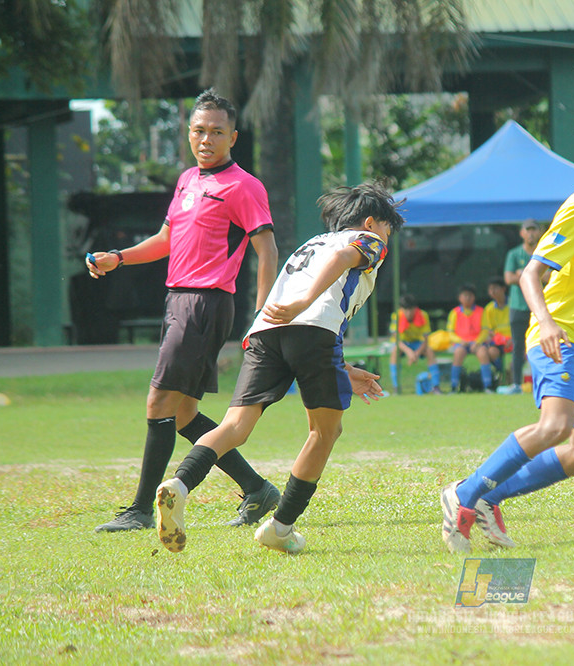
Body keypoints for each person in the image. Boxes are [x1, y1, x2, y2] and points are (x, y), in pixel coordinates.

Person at [439, 104, 574, 553]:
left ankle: (488, 497)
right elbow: (531, 275)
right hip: (559, 334)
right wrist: (549, 323)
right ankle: (464, 493)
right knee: (556, 426)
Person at [154, 182, 404, 554]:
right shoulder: (368, 241)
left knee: (234, 426)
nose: (388, 237)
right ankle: (280, 528)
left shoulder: (314, 242)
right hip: (311, 329)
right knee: (325, 431)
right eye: (388, 227)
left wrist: (343, 367)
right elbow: (341, 266)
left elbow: (299, 328)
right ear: (370, 222)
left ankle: (179, 485)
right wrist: (305, 302)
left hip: (265, 334)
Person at [86, 89, 280, 533]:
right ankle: (257, 489)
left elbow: (266, 249)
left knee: (158, 402)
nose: (206, 139)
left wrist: (264, 313)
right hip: (178, 301)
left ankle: (137, 510)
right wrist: (118, 257)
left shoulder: (244, 186)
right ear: (188, 133)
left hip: (205, 304)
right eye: (198, 130)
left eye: (216, 131)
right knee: (186, 415)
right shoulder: (188, 180)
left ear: (233, 136)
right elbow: (164, 241)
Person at [503, 219, 543, 393]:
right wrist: (531, 275)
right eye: (528, 230)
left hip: (539, 308)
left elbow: (551, 277)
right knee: (518, 346)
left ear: (540, 232)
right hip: (518, 306)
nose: (531, 233)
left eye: (534, 230)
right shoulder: (514, 254)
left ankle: (541, 382)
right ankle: (517, 384)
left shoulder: (544, 253)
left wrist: (523, 274)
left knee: (542, 344)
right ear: (522, 233)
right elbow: (508, 278)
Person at [388, 294, 440, 393]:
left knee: (429, 351)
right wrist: (409, 352)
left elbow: (426, 340)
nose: (408, 313)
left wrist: (416, 353)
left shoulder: (423, 315)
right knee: (395, 352)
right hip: (403, 344)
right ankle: (396, 388)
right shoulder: (397, 316)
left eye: (410, 310)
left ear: (415, 309)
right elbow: (396, 339)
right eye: (405, 310)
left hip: (418, 344)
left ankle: (436, 386)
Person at [446, 284, 487, 392]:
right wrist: (460, 341)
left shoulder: (481, 311)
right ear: (459, 298)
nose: (467, 298)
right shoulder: (455, 312)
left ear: (474, 297)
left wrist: (477, 342)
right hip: (461, 343)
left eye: (470, 295)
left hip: (476, 343)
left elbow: (485, 330)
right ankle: (454, 387)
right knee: (458, 353)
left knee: (483, 353)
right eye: (465, 295)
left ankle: (488, 385)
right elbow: (450, 333)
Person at [481, 276, 512, 378]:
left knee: (524, 353)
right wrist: (500, 339)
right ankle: (502, 373)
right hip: (499, 341)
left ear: (503, 289)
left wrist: (512, 339)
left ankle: (512, 372)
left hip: (514, 340)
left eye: (495, 288)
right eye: (490, 289)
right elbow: (489, 330)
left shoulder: (513, 304)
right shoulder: (489, 309)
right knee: (491, 352)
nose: (492, 291)